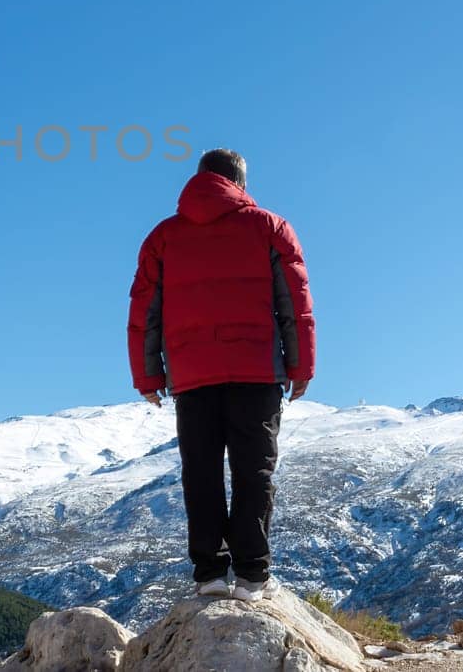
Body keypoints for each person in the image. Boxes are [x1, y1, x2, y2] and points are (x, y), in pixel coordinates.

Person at [126, 148, 315, 602]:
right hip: (257, 373)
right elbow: (295, 303)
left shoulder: (163, 237)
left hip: (193, 378)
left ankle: (210, 574)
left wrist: (147, 376)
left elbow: (144, 312)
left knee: (202, 474)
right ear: (240, 183)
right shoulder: (270, 228)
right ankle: (252, 577)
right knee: (255, 472)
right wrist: (301, 366)